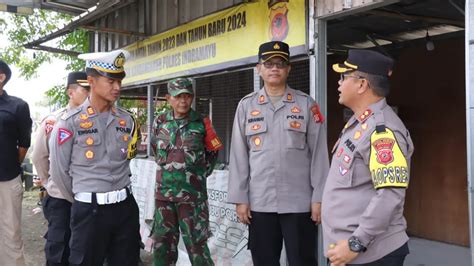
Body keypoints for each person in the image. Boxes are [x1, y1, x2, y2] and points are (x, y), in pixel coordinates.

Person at [227, 41, 329, 265]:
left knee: (303, 260)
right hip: (260, 203)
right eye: (269, 63)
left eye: (280, 63)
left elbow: (319, 155)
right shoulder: (246, 106)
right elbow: (238, 156)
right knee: (264, 261)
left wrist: (319, 198)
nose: (275, 68)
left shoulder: (306, 105)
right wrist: (240, 199)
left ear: (289, 68)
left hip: (300, 204)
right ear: (259, 68)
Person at [49, 50, 141, 266]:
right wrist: (83, 199)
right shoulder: (69, 123)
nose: (117, 87)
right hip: (89, 211)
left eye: (119, 81)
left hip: (124, 207)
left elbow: (126, 161)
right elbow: (59, 173)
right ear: (91, 81)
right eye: (111, 81)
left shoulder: (127, 120)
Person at [322, 49, 414, 266]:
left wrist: (356, 243)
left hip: (369, 253)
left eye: (344, 77)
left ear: (362, 85)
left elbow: (390, 194)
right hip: (347, 250)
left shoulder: (382, 131)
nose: (339, 83)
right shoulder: (360, 123)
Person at [151, 77, 223, 266]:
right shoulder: (160, 121)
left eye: (187, 96)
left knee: (197, 247)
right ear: (168, 98)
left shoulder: (202, 123)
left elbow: (213, 153)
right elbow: (154, 149)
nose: (183, 101)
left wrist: (196, 177)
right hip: (164, 196)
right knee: (161, 246)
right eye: (178, 96)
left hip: (192, 199)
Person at [32, 71, 90, 266]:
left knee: (87, 248)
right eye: (85, 90)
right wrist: (50, 183)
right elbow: (39, 156)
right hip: (61, 199)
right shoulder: (53, 121)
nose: (90, 94)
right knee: (59, 249)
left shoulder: (97, 119)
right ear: (71, 92)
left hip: (88, 197)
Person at [0, 60, 32, 266]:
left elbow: (24, 144)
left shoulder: (18, 106)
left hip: (6, 179)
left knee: (10, 233)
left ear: (1, 77)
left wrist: (10, 164)